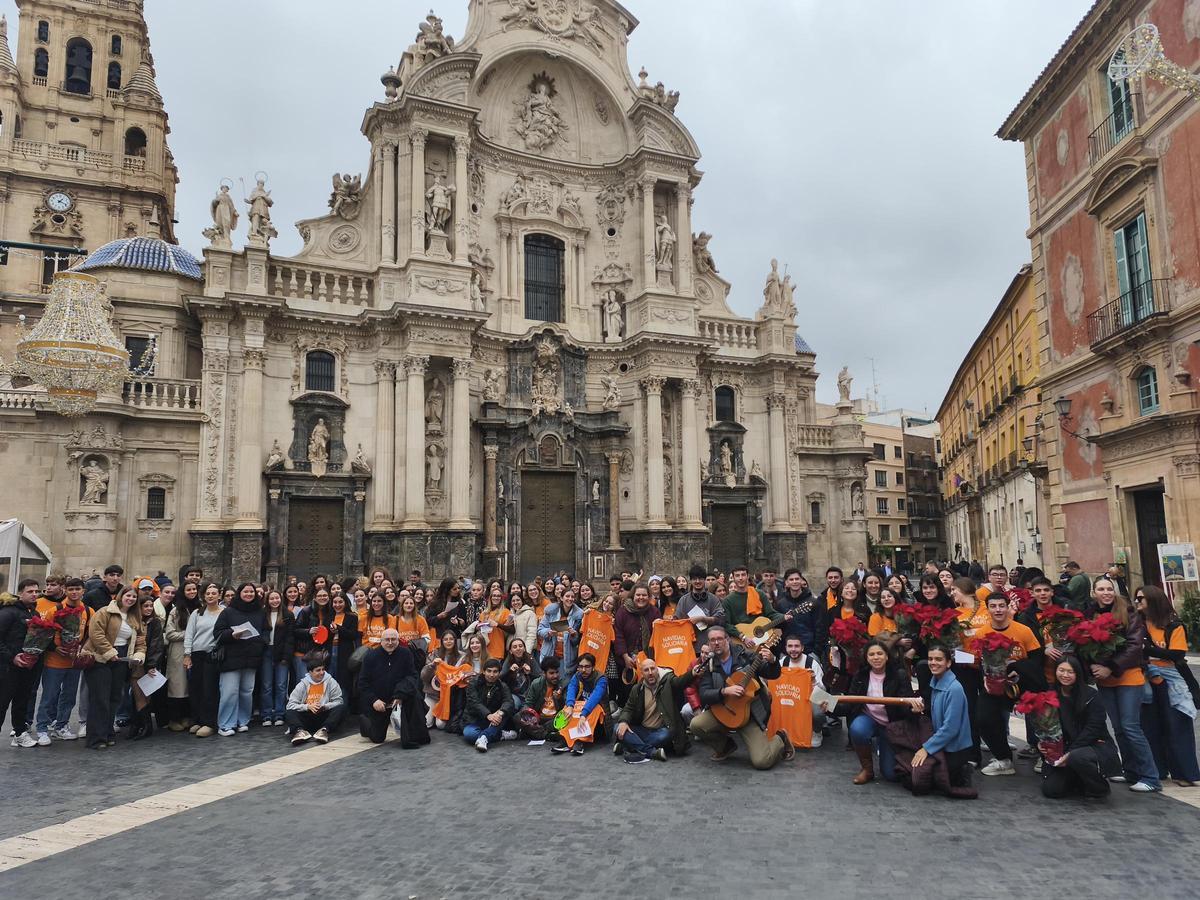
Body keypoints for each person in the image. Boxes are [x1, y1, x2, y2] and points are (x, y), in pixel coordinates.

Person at [1082, 577, 1158, 790]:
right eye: (1101, 589)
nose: (1105, 592)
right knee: (1118, 728)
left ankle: (1150, 777)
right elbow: (1084, 643)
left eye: (1109, 589)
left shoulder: (1128, 612)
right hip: (1106, 680)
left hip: (1128, 675)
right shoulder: (1089, 613)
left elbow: (1134, 646)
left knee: (1131, 726)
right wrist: (1093, 667)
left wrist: (1110, 666)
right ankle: (1131, 771)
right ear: (1093, 591)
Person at [689, 626, 794, 769]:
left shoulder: (746, 656)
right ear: (709, 643)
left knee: (762, 762)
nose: (716, 643)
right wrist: (724, 691)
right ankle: (725, 746)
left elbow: (772, 674)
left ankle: (781, 738)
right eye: (712, 640)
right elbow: (704, 694)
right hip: (724, 711)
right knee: (696, 725)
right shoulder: (710, 664)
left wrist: (773, 661)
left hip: (749, 716)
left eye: (720, 638)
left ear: (727, 639)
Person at [971, 592, 1045, 776]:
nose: (998, 610)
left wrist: (1016, 668)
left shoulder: (1023, 630)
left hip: (1025, 683)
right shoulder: (981, 633)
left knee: (1044, 717)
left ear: (1007, 607)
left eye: (1001, 606)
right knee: (983, 717)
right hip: (996, 686)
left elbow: (1037, 659)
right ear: (987, 609)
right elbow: (978, 662)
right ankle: (1003, 758)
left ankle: (1046, 756)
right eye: (993, 606)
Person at [827, 640, 921, 784]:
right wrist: (829, 706)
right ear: (867, 658)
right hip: (869, 719)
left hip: (891, 725)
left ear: (887, 657)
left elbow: (905, 705)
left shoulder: (899, 675)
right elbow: (850, 704)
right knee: (857, 728)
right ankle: (867, 769)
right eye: (871, 654)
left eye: (879, 654)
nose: (876, 657)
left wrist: (913, 709)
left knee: (890, 775)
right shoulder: (861, 675)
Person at [1138, 585, 1199, 788]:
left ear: (1153, 600)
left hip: (1172, 678)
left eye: (1141, 599)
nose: (1137, 602)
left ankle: (1185, 773)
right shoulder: (1137, 622)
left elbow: (1177, 654)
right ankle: (1158, 769)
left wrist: (1148, 649)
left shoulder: (1173, 624)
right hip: (1146, 677)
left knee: (1177, 725)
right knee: (1151, 725)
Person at [1042, 656, 1119, 799]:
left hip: (1093, 745)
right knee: (1051, 790)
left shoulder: (1091, 695)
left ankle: (1099, 788)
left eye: (1070, 672)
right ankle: (1078, 780)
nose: (1065, 675)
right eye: (1061, 670)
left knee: (1077, 757)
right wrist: (1043, 743)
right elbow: (1045, 725)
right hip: (1064, 746)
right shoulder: (1050, 694)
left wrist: (1070, 752)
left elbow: (1093, 729)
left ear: (1078, 673)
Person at [81, 586, 146, 750]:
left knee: (114, 698)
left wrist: (139, 655)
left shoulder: (134, 617)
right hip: (100, 658)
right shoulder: (105, 611)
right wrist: (109, 652)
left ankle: (108, 732)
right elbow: (96, 633)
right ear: (120, 596)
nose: (130, 599)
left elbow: (140, 641)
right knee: (100, 699)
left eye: (133, 597)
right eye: (127, 595)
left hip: (122, 659)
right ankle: (96, 737)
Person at [909, 644, 974, 793]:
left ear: (948, 663)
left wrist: (926, 749)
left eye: (939, 659)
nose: (933, 662)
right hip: (942, 744)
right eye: (930, 659)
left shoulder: (954, 689)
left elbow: (951, 728)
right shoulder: (936, 683)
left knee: (923, 778)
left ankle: (963, 769)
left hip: (955, 749)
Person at [34, 577, 91, 742]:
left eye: (77, 589)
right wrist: (55, 647)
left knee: (69, 695)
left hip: (74, 660)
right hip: (54, 660)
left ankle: (61, 725)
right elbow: (44, 633)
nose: (74, 592)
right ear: (65, 590)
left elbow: (89, 634)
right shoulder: (55, 609)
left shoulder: (88, 611)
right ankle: (42, 728)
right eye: (71, 589)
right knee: (49, 695)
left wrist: (83, 647)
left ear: (83, 591)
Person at [615, 655, 698, 763]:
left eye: (652, 668)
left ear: (657, 669)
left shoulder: (668, 681)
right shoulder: (637, 689)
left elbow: (680, 682)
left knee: (666, 735)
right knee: (617, 727)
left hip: (662, 730)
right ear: (642, 673)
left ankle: (630, 746)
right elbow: (628, 708)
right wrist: (623, 722)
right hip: (643, 730)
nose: (650, 672)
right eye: (646, 670)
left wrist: (692, 673)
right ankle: (651, 752)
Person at [212, 582, 267, 736]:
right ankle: (225, 724)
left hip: (252, 656)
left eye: (251, 592)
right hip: (232, 657)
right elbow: (218, 633)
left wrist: (262, 641)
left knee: (246, 691)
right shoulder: (228, 612)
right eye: (245, 592)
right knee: (229, 691)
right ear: (239, 593)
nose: (249, 594)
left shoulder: (260, 612)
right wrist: (232, 634)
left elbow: (266, 630)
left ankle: (242, 720)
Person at [357, 628, 426, 747]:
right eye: (387, 640)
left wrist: (401, 695)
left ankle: (414, 735)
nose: (390, 642)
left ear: (398, 640)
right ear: (381, 641)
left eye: (393, 639)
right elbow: (363, 683)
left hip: (400, 699)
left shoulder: (406, 653)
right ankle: (365, 722)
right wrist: (374, 700)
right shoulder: (371, 656)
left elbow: (412, 676)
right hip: (379, 703)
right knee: (377, 738)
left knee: (415, 698)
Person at [0, 581, 42, 747]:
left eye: (36, 591)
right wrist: (11, 657)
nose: (34, 594)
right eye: (30, 591)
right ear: (20, 593)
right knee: (2, 703)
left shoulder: (35, 614)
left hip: (27, 667)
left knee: (22, 701)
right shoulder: (8, 612)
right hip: (7, 667)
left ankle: (19, 733)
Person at [771, 635, 826, 748]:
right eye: (790, 646)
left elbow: (823, 691)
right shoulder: (782, 662)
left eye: (797, 646)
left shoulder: (812, 663)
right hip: (792, 695)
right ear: (786, 648)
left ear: (802, 648)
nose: (793, 649)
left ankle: (817, 731)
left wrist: (813, 680)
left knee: (818, 713)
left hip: (812, 695)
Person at [183, 582, 222, 738]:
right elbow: (189, 634)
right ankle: (197, 719)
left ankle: (209, 722)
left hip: (213, 654)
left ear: (219, 595)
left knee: (209, 689)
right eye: (208, 593)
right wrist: (187, 654)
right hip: (197, 653)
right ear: (204, 596)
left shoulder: (224, 613)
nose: (211, 595)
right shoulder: (197, 613)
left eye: (214, 593)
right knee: (195, 687)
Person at [552, 652, 607, 755]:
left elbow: (595, 698)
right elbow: (571, 689)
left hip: (599, 717)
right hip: (583, 710)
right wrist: (569, 706)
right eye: (581, 667)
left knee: (595, 709)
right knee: (569, 708)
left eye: (587, 667)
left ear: (593, 667)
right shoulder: (577, 676)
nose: (583, 670)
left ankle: (580, 741)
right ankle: (565, 740)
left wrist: (583, 714)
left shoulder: (601, 679)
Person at [128, 593, 166, 740]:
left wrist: (152, 664)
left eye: (151, 606)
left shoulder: (155, 623)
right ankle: (139, 724)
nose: (149, 608)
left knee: (143, 695)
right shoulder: (134, 621)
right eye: (146, 606)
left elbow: (157, 645)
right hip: (136, 662)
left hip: (147, 663)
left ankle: (145, 725)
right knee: (138, 694)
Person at [286, 651, 345, 744]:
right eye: (318, 670)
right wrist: (307, 707)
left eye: (323, 669)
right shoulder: (302, 684)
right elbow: (290, 705)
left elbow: (339, 701)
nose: (321, 673)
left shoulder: (331, 681)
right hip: (307, 715)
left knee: (341, 708)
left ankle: (324, 731)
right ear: (310, 672)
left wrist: (325, 706)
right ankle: (300, 732)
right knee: (289, 712)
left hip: (323, 716)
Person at [163, 580, 197, 732]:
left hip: (195, 650)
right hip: (178, 650)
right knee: (177, 686)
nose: (191, 592)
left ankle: (187, 716)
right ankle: (174, 718)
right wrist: (189, 634)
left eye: (194, 589)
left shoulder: (200, 608)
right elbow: (170, 634)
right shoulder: (176, 611)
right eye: (188, 589)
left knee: (191, 687)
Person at [614, 584, 661, 694]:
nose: (641, 597)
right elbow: (618, 634)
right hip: (627, 658)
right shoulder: (623, 611)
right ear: (633, 596)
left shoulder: (654, 612)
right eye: (638, 595)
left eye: (644, 595)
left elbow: (659, 635)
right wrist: (625, 657)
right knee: (628, 690)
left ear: (649, 597)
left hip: (648, 658)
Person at [463, 658, 516, 752]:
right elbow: (474, 703)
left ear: (499, 673)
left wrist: (500, 713)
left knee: (505, 712)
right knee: (470, 735)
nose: (492, 675)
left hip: (494, 720)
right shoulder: (473, 683)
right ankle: (499, 734)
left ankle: (484, 738)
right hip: (475, 719)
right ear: (483, 671)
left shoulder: (502, 686)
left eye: (495, 672)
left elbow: (509, 701)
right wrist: (488, 715)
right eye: (489, 671)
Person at [260, 589, 295, 728]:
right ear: (267, 600)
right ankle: (266, 714)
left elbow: (290, 637)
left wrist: (287, 656)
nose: (275, 601)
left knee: (281, 685)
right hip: (266, 651)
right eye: (271, 599)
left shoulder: (288, 615)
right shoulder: (262, 614)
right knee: (266, 685)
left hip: (282, 652)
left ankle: (280, 713)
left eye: (277, 598)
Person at [675, 564, 725, 647]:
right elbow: (676, 622)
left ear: (704, 580)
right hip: (689, 646)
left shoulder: (713, 599)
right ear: (690, 581)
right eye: (694, 579)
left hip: (710, 646)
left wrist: (702, 619)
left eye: (700, 578)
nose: (697, 581)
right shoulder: (683, 600)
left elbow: (720, 620)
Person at [537, 589, 583, 673]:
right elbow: (540, 630)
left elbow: (576, 641)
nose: (570, 599)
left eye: (572, 597)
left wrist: (573, 635)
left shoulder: (578, 615)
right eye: (567, 596)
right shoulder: (551, 612)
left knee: (563, 683)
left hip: (566, 657)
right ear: (561, 598)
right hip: (550, 654)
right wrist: (549, 632)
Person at [524, 656, 565, 737]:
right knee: (518, 716)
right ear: (544, 673)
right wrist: (529, 717)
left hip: (555, 719)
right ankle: (546, 734)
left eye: (557, 672)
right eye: (551, 673)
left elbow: (567, 709)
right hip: (539, 718)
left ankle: (537, 732)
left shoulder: (563, 684)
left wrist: (559, 699)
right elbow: (528, 703)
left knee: (564, 720)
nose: (555, 676)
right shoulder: (536, 684)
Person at [722, 564, 769, 629]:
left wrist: (784, 617)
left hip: (759, 634)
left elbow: (771, 613)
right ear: (733, 578)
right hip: (738, 637)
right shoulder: (727, 600)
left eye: (743, 575)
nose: (740, 578)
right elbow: (726, 624)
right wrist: (741, 636)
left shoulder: (760, 594)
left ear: (747, 576)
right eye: (737, 575)